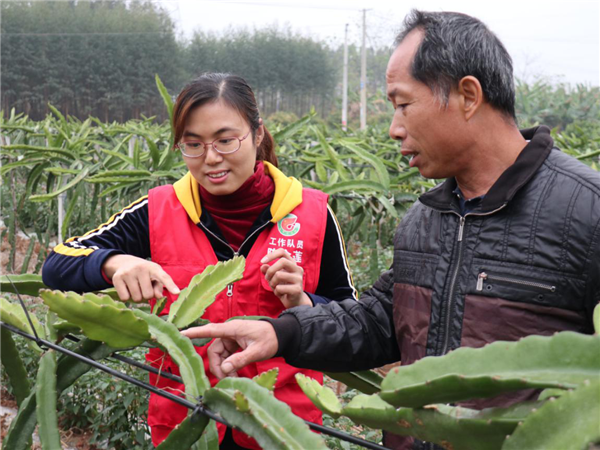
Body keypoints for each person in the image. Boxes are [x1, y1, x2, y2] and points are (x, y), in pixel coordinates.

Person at [182, 10, 600, 450]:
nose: (394, 128)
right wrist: (279, 332)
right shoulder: (425, 219)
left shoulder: (587, 213)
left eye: (403, 104)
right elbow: (378, 321)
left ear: (468, 96)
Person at [42, 73, 357, 449]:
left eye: (225, 140)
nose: (211, 158)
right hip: (185, 423)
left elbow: (350, 317)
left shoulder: (312, 214)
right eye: (193, 144)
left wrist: (304, 303)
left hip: (283, 428)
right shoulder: (159, 209)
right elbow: (57, 264)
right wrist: (115, 263)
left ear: (257, 134)